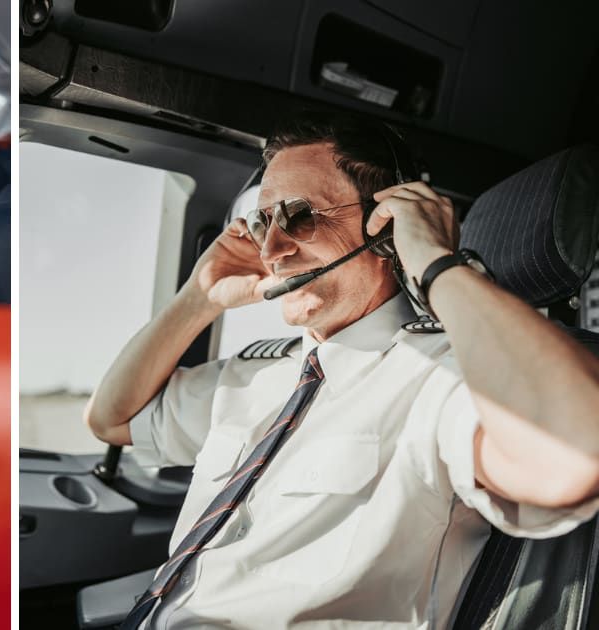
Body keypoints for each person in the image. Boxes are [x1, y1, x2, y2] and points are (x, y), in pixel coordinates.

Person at [84, 112, 599, 628]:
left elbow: (574, 451)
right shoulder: (257, 375)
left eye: (299, 216)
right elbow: (111, 419)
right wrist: (199, 298)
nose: (272, 251)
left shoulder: (443, 379)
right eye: (263, 223)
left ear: (385, 229)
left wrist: (437, 264)